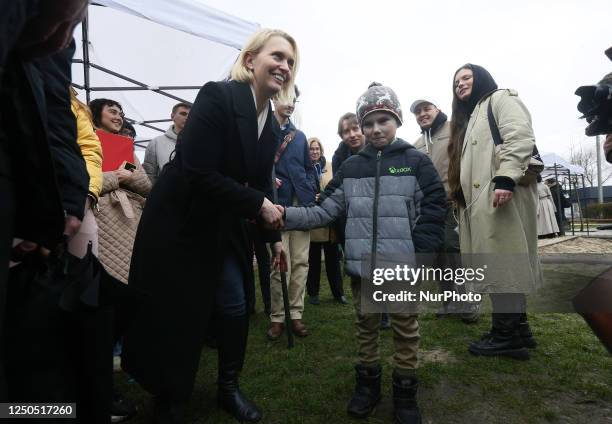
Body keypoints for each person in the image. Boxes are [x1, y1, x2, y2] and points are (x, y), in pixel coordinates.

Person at [121, 29, 296, 423]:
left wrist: (274, 240)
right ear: (251, 60)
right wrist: (258, 204)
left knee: (235, 305)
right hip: (180, 222)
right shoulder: (218, 96)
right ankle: (168, 395)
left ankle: (228, 388)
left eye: (290, 62)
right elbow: (198, 171)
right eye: (278, 56)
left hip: (223, 225)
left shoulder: (271, 125)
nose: (285, 66)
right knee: (176, 311)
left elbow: (262, 182)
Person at [279, 82, 446, 424]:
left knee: (405, 329)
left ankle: (405, 394)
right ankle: (368, 387)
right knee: (366, 328)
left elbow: (434, 208)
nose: (374, 129)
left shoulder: (416, 161)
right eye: (367, 122)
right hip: (362, 268)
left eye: (382, 119)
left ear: (397, 120)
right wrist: (282, 214)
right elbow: (323, 211)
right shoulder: (352, 168)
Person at [447, 64, 542, 360]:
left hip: (501, 195)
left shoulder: (500, 99)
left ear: (481, 79)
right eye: (456, 81)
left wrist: (506, 177)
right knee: (503, 263)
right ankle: (518, 330)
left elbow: (519, 135)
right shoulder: (471, 115)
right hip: (485, 201)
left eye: (466, 77)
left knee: (503, 265)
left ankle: (506, 336)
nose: (460, 84)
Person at [90, 97, 149, 422]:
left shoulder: (125, 146)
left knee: (129, 299)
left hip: (130, 230)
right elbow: (89, 182)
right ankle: (102, 381)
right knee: (106, 307)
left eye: (121, 111)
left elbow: (145, 183)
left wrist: (116, 176)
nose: (119, 114)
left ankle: (122, 362)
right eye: (112, 110)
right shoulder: (87, 142)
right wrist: (117, 177)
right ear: (96, 114)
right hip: (102, 228)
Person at [410, 99, 479, 323]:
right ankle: (449, 302)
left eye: (426, 109)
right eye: (418, 111)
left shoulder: (454, 129)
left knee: (454, 249)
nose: (422, 114)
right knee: (438, 254)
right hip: (429, 207)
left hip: (453, 202)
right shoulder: (417, 143)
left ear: (437, 110)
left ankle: (468, 302)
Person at [267, 85, 317, 340]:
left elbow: (310, 168)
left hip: (302, 206)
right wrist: (269, 179)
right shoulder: (263, 131)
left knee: (301, 263)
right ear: (275, 98)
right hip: (277, 206)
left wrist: (309, 186)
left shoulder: (299, 136)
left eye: (295, 99)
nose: (291, 103)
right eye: (287, 98)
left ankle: (296, 314)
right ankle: (277, 317)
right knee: (279, 265)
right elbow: (255, 165)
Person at [306, 137, 347, 305]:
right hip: (313, 219)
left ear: (321, 150)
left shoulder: (330, 166)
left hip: (330, 220)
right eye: (311, 149)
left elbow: (338, 186)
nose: (314, 151)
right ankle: (313, 294)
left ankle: (338, 293)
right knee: (313, 260)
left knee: (333, 261)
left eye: (317, 148)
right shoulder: (303, 168)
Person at [143, 102, 191, 184]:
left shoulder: (199, 144)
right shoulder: (156, 143)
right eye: (183, 114)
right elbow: (149, 175)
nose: (187, 117)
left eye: (190, 115)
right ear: (172, 116)